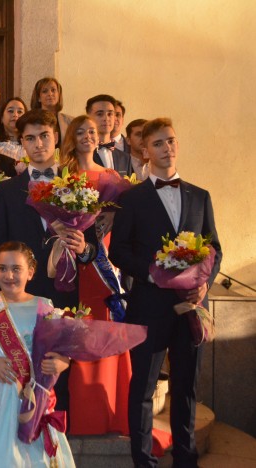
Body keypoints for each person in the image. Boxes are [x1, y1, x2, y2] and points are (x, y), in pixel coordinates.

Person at [109, 118, 221, 468]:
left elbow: (214, 247)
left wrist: (205, 281)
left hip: (190, 305)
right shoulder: (131, 198)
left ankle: (186, 459)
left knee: (186, 387)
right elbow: (119, 251)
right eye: (158, 143)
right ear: (145, 150)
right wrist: (151, 275)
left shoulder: (200, 196)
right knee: (142, 388)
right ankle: (143, 461)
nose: (167, 148)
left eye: (171, 141)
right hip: (149, 304)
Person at [0, 109, 96, 412]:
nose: (38, 144)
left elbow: (93, 250)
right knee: (20, 369)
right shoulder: (6, 191)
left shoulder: (78, 186)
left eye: (44, 136)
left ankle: (56, 444)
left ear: (56, 137)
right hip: (19, 295)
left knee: (57, 369)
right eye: (30, 138)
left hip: (62, 292)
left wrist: (83, 247)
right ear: (21, 142)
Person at [0, 241, 75, 467]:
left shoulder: (45, 306)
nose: (9, 275)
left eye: (16, 269)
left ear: (31, 272)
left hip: (33, 391)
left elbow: (60, 352)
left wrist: (63, 363)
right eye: (2, 268)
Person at [58, 114, 133, 436]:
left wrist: (105, 228)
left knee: (104, 324)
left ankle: (110, 411)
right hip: (71, 263)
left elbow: (123, 222)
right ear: (72, 138)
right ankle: (84, 413)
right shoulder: (64, 177)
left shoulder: (113, 177)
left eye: (92, 131)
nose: (88, 135)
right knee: (80, 328)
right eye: (81, 132)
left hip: (103, 267)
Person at [86, 94, 132, 176]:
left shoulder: (125, 158)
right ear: (88, 118)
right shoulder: (81, 155)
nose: (106, 118)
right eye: (100, 114)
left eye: (110, 114)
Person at [30, 77, 74, 145]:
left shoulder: (70, 121)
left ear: (59, 95)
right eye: (45, 91)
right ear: (38, 98)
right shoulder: (31, 121)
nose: (50, 94)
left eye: (53, 90)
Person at [0, 97, 28, 166]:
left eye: (20, 112)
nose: (15, 115)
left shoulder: (32, 142)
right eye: (10, 111)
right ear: (1, 117)